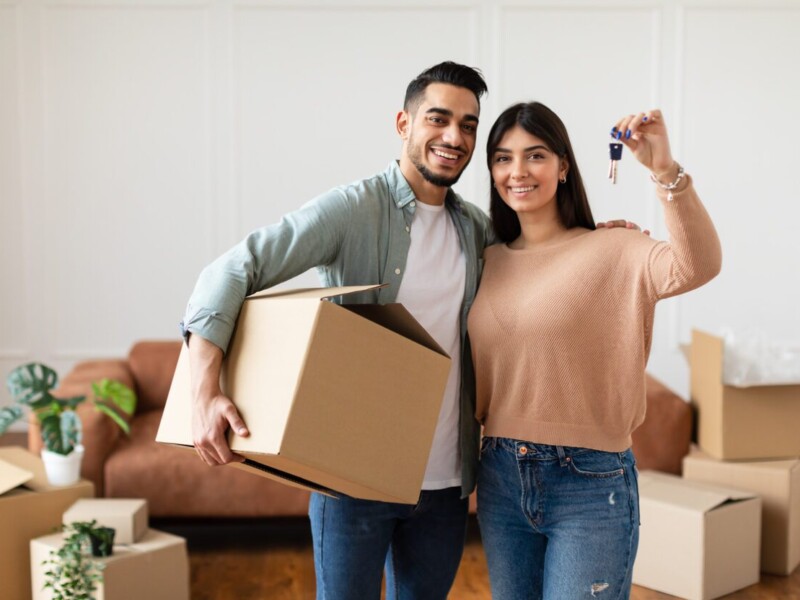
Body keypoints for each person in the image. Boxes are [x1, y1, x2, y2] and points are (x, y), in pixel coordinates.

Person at [182, 61, 635, 599]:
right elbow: (233, 271)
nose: (454, 137)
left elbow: (543, 257)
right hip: (351, 480)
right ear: (404, 124)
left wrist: (597, 238)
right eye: (438, 119)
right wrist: (204, 388)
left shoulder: (477, 230)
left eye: (468, 126)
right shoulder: (353, 210)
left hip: (443, 489)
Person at [467, 102, 722, 599]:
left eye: (535, 155)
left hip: (589, 481)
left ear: (564, 166)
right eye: (502, 158)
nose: (517, 171)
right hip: (499, 476)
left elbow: (700, 265)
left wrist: (664, 170)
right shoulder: (485, 259)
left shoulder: (616, 250)